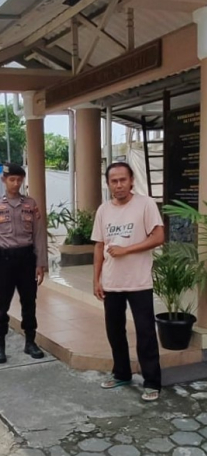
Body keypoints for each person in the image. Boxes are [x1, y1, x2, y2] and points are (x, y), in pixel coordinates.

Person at [91, 162, 164, 402]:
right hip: (112, 282)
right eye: (114, 181)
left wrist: (127, 249)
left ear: (132, 180)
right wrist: (96, 279)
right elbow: (99, 246)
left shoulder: (146, 204)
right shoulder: (103, 210)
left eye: (123, 180)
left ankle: (152, 382)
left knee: (145, 332)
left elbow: (158, 236)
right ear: (108, 184)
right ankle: (121, 374)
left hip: (139, 282)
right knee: (114, 331)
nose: (119, 185)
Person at [0, 163, 48, 364]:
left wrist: (40, 264)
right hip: (5, 262)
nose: (16, 183)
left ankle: (30, 342)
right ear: (4, 180)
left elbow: (38, 235)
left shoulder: (30, 204)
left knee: (29, 303)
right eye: (12, 179)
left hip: (26, 260)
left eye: (19, 179)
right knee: (2, 305)